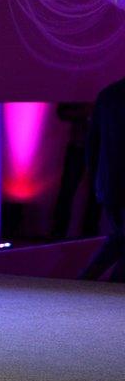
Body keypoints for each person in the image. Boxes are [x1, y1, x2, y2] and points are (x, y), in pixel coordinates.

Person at [79, 76, 125, 281]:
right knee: (119, 239)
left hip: (108, 183)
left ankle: (86, 283)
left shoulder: (107, 94)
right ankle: (108, 288)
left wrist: (96, 179)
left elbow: (92, 142)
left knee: (119, 238)